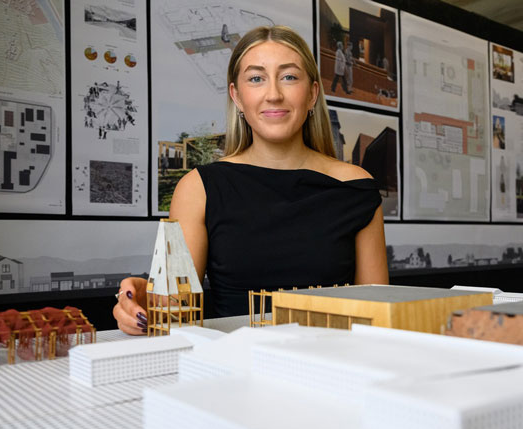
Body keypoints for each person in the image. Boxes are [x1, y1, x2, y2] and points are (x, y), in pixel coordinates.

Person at [113, 25, 388, 335]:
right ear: (237, 96)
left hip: (333, 361)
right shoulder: (198, 188)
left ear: (312, 94)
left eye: (289, 77)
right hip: (233, 363)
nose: (274, 94)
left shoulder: (356, 187)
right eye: (256, 78)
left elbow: (378, 317)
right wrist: (146, 304)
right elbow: (174, 311)